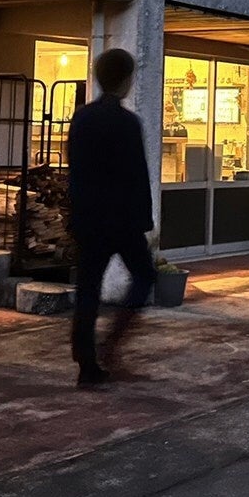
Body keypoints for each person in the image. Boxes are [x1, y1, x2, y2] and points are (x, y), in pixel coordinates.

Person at [67, 47, 156, 386]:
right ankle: (113, 342)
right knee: (144, 275)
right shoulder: (128, 123)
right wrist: (145, 221)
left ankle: (86, 360)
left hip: (89, 218)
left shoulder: (82, 118)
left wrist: (75, 215)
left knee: (88, 288)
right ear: (126, 80)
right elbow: (137, 175)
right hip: (123, 220)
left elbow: (75, 173)